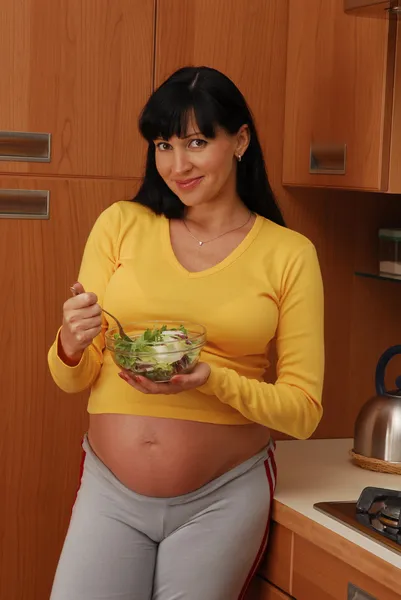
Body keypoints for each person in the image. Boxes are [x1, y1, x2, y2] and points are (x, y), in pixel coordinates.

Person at [48, 66, 324, 600]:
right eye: (163, 144)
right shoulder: (121, 224)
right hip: (110, 490)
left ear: (240, 140)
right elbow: (72, 379)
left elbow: (304, 410)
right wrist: (71, 343)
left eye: (197, 142)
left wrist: (211, 380)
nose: (178, 165)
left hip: (222, 497)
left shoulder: (290, 255)